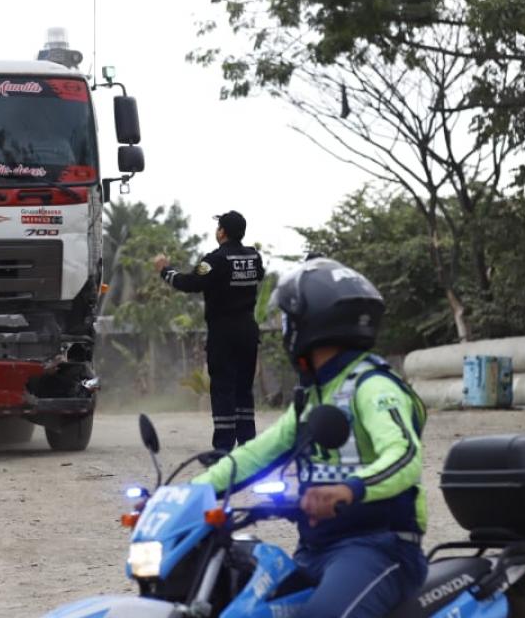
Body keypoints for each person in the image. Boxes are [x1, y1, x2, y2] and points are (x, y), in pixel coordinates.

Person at [191, 257, 428, 617]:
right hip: (317, 548)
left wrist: (351, 489)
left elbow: (404, 455)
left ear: (309, 323)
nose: (285, 329)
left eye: (288, 319)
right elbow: (257, 454)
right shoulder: (314, 395)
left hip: (379, 548)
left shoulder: (372, 385)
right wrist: (189, 494)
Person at [153, 210, 264, 450]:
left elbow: (190, 283)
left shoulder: (214, 260)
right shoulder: (254, 258)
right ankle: (248, 447)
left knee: (223, 388)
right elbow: (259, 276)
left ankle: (223, 449)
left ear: (221, 232)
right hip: (248, 333)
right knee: (244, 389)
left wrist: (165, 270)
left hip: (223, 335)